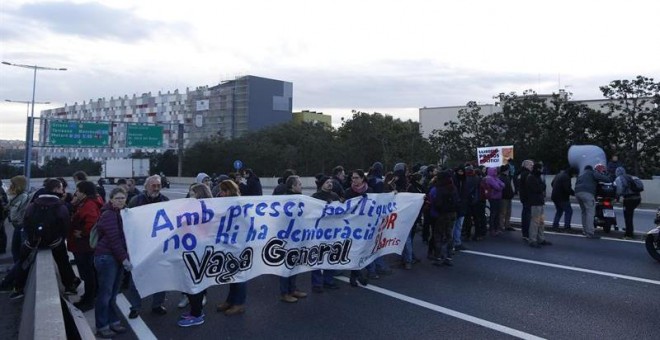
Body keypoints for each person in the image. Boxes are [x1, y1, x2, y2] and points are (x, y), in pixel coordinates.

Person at [10, 179, 81, 300]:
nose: (62, 190)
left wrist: (32, 238)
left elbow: (26, 222)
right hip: (55, 242)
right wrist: (60, 238)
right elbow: (65, 224)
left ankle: (18, 288)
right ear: (55, 190)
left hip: (33, 242)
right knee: (63, 261)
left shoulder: (33, 204)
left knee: (23, 262)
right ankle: (70, 285)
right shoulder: (60, 205)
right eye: (60, 188)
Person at [126, 175, 170, 318]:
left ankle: (157, 304)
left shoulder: (166, 201)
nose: (156, 188)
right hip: (139, 247)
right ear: (146, 187)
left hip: (158, 248)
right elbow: (128, 223)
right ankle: (135, 307)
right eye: (153, 185)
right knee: (136, 279)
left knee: (161, 278)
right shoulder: (135, 201)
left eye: (158, 185)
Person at [94, 187, 131, 338]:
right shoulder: (109, 214)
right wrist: (125, 259)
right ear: (111, 200)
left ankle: (113, 321)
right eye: (117, 198)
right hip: (107, 257)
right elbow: (114, 241)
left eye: (123, 198)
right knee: (105, 294)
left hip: (116, 257)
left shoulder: (121, 213)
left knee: (113, 293)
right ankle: (102, 325)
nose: (121, 200)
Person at [178, 183, 214, 327]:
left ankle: (196, 315)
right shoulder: (201, 208)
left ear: (199, 194)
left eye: (192, 194)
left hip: (198, 251)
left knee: (194, 283)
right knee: (192, 282)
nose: (190, 196)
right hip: (195, 249)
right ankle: (195, 310)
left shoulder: (202, 211)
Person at [68, 180, 104, 311]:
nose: (76, 193)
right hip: (85, 245)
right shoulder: (90, 201)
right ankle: (90, 296)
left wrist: (82, 233)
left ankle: (89, 300)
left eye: (78, 190)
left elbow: (92, 222)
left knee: (88, 273)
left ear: (84, 192)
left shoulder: (89, 204)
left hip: (84, 245)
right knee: (90, 272)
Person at [214, 180, 249, 315]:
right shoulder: (226, 203)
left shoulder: (240, 204)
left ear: (229, 191)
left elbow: (246, 224)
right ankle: (231, 300)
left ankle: (239, 303)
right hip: (229, 245)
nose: (221, 194)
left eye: (223, 191)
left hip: (239, 245)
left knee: (239, 275)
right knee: (231, 274)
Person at [276, 175, 308, 302]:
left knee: (294, 264)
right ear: (293, 186)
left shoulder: (299, 199)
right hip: (287, 238)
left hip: (297, 237)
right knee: (286, 266)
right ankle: (285, 293)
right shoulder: (286, 200)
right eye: (299, 184)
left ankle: (292, 289)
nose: (301, 186)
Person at [310, 176, 341, 291]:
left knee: (331, 256)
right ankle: (317, 284)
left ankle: (329, 280)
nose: (330, 184)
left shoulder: (335, 196)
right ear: (322, 184)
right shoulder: (315, 197)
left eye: (331, 182)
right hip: (319, 232)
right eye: (327, 182)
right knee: (317, 257)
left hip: (332, 232)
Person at [344, 169, 371, 287]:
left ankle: (354, 275)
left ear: (362, 179)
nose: (353, 180)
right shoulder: (348, 192)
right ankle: (358, 274)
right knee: (354, 250)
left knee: (362, 250)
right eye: (352, 178)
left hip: (365, 225)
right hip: (352, 226)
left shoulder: (370, 191)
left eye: (356, 178)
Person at [429, 170, 459, 266]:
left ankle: (438, 257)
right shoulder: (453, 188)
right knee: (449, 235)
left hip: (441, 214)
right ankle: (449, 257)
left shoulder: (437, 189)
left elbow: (433, 200)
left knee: (438, 235)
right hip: (452, 214)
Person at [574, 165, 612, 239]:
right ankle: (590, 233)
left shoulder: (581, 175)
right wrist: (609, 178)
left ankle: (585, 231)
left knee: (584, 212)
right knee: (590, 212)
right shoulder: (592, 173)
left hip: (578, 193)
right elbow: (604, 179)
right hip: (587, 193)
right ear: (591, 169)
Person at [527, 163, 551, 247]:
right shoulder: (531, 177)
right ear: (538, 169)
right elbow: (538, 189)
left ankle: (541, 239)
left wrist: (542, 187)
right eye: (541, 168)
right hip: (535, 202)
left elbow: (541, 187)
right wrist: (542, 186)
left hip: (539, 201)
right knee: (535, 222)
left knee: (541, 222)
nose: (542, 170)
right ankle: (532, 240)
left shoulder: (537, 177)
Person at [6, 176, 30, 263]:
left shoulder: (23, 197)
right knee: (15, 249)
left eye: (12, 183)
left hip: (20, 226)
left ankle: (18, 270)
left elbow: (21, 213)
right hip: (17, 226)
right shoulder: (16, 196)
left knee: (17, 250)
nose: (10, 185)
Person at [614, 167, 642, 239]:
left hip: (629, 199)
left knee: (628, 217)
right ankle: (629, 229)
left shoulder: (619, 178)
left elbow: (619, 191)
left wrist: (616, 197)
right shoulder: (632, 177)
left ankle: (629, 234)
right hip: (638, 198)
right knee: (630, 214)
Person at [482, 167, 505, 236]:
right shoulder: (489, 178)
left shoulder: (495, 178)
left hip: (497, 197)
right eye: (494, 170)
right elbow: (498, 187)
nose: (496, 172)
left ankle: (496, 228)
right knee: (494, 213)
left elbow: (503, 184)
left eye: (496, 170)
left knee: (497, 213)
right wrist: (500, 187)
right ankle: (492, 229)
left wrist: (500, 186)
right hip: (493, 197)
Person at [516, 160, 534, 241]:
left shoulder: (521, 174)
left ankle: (525, 233)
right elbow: (530, 187)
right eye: (531, 165)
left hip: (524, 197)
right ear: (526, 165)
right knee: (527, 216)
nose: (532, 166)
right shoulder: (527, 174)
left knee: (525, 215)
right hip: (528, 197)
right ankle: (527, 233)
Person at [498, 164, 516, 232]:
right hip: (504, 197)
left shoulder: (506, 177)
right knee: (503, 212)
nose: (508, 171)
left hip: (508, 197)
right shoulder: (501, 177)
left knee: (508, 212)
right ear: (505, 171)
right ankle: (501, 225)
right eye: (507, 170)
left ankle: (507, 225)